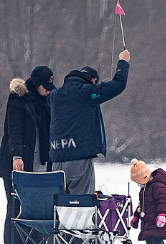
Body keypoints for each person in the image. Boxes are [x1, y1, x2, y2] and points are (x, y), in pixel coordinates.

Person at [48, 50, 131, 194]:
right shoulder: (87, 92)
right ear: (93, 80)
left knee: (61, 207)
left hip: (56, 160)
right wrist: (123, 62)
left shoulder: (54, 95)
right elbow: (118, 85)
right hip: (78, 159)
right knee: (82, 207)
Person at [0, 65, 56, 244]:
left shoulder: (46, 102)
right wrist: (17, 156)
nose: (47, 91)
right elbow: (13, 130)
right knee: (15, 208)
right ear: (36, 83)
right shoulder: (18, 98)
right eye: (45, 87)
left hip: (39, 165)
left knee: (37, 210)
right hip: (17, 164)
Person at [129, 159, 166, 244]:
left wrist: (162, 215)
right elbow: (141, 204)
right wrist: (136, 216)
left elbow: (162, 201)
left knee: (156, 239)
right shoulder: (144, 189)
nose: (138, 185)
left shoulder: (158, 186)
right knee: (149, 240)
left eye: (138, 182)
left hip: (157, 220)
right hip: (148, 219)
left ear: (145, 177)